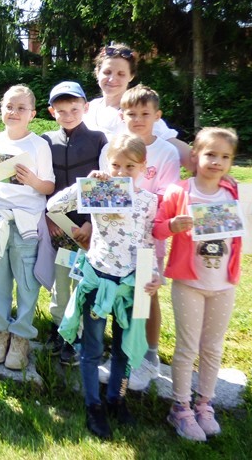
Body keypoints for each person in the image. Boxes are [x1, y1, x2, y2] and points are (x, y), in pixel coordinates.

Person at [49, 134, 160, 440]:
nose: (122, 172)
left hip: (131, 285)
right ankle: (93, 405)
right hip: (98, 279)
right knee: (93, 347)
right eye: (115, 165)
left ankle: (117, 398)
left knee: (125, 346)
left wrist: (153, 274)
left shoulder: (149, 201)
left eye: (130, 166)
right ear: (106, 164)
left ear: (143, 168)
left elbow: (147, 240)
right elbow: (53, 205)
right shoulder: (99, 191)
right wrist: (85, 185)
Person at [153, 127, 240, 442]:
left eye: (225, 157)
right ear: (195, 157)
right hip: (189, 283)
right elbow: (158, 229)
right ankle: (180, 407)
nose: (217, 162)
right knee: (187, 348)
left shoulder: (233, 193)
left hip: (224, 284)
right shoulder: (179, 191)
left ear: (231, 162)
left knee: (213, 347)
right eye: (210, 154)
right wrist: (172, 225)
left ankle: (205, 403)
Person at [98, 85, 180, 390]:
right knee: (119, 294)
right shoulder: (115, 145)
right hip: (114, 241)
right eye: (132, 113)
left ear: (157, 116)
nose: (138, 119)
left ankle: (149, 357)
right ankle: (121, 355)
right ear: (122, 115)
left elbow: (166, 201)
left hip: (148, 240)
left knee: (146, 296)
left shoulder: (166, 152)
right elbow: (105, 187)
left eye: (146, 114)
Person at [0, 85, 55, 370]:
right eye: (9, 106)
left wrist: (33, 181)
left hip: (26, 223)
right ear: (1, 109)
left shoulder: (39, 145)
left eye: (21, 108)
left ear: (32, 114)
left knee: (26, 281)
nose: (14, 112)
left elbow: (49, 185)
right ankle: (0, 333)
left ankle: (21, 337)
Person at [41, 81, 107, 364]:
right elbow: (43, 182)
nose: (68, 114)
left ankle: (77, 333)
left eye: (74, 109)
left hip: (87, 229)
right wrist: (48, 217)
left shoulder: (98, 139)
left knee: (83, 281)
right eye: (61, 110)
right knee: (61, 280)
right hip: (60, 226)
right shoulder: (45, 141)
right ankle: (59, 327)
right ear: (51, 111)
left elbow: (104, 183)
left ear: (85, 108)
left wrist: (92, 223)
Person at [83, 44, 192, 169]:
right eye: (107, 72)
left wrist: (211, 173)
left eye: (121, 74)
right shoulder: (87, 109)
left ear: (131, 76)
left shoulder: (139, 114)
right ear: (97, 72)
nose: (112, 79)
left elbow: (177, 148)